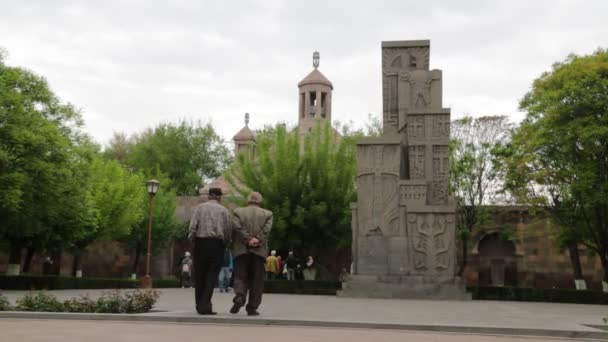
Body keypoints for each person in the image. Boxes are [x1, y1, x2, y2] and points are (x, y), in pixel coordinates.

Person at [188, 187, 233, 315]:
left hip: (200, 243)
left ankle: (199, 304)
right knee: (211, 276)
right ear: (219, 197)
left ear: (209, 196)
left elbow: (192, 227)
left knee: (200, 275)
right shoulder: (224, 211)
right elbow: (228, 230)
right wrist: (225, 243)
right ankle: (205, 305)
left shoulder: (199, 208)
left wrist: (193, 241)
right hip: (216, 244)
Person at [230, 191, 273, 316]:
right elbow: (266, 230)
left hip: (241, 250)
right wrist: (257, 240)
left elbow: (237, 227)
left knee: (240, 276)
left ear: (247, 200)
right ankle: (252, 307)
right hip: (259, 251)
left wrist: (247, 239)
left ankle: (240, 295)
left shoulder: (237, 212)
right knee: (257, 280)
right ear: (260, 201)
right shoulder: (268, 214)